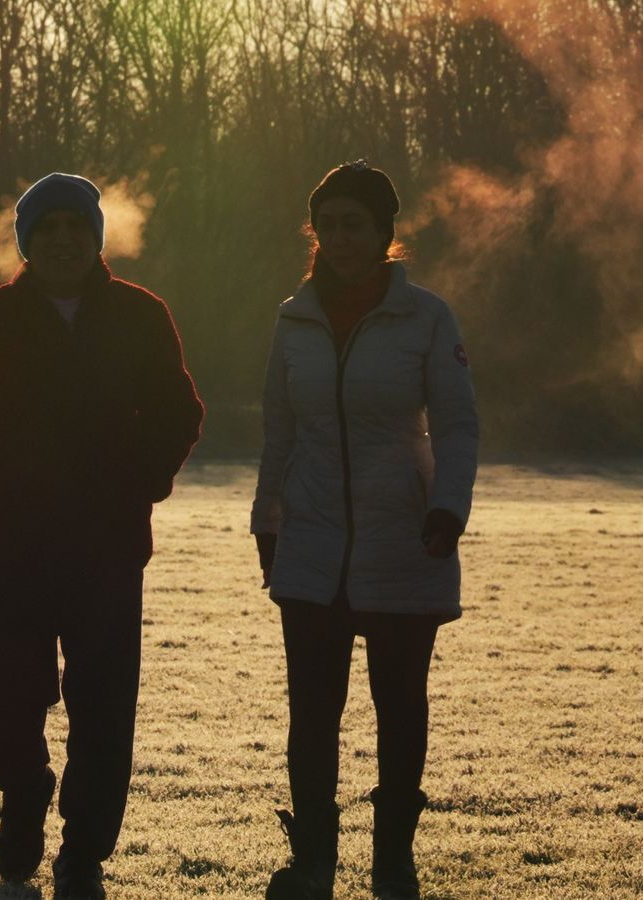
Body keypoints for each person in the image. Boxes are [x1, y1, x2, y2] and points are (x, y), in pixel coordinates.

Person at [0, 172, 203, 899]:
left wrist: (140, 483)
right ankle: (24, 794)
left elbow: (179, 412)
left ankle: (84, 852)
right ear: (28, 243)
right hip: (12, 551)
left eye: (78, 227)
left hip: (108, 551)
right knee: (4, 694)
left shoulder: (140, 317)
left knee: (105, 707)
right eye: (49, 231)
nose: (65, 241)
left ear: (96, 237)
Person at [250, 161, 479, 900]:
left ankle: (393, 862)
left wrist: (447, 506)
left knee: (400, 705)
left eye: (357, 224)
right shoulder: (293, 319)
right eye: (330, 224)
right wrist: (267, 521)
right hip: (311, 545)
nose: (341, 238)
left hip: (406, 541)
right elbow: (278, 432)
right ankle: (314, 861)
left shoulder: (428, 318)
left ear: (386, 234)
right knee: (311, 713)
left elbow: (456, 421)